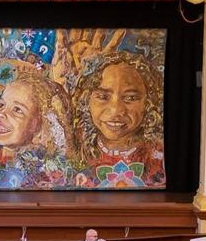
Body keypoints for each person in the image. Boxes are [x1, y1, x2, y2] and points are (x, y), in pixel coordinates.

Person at [71, 54, 166, 188]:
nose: (115, 110)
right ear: (87, 100)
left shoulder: (158, 158)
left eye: (131, 98)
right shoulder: (76, 151)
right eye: (103, 97)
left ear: (149, 103)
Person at [0, 69, 74, 189]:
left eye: (17, 110)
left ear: (41, 131)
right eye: (1, 105)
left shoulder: (44, 175)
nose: (1, 114)